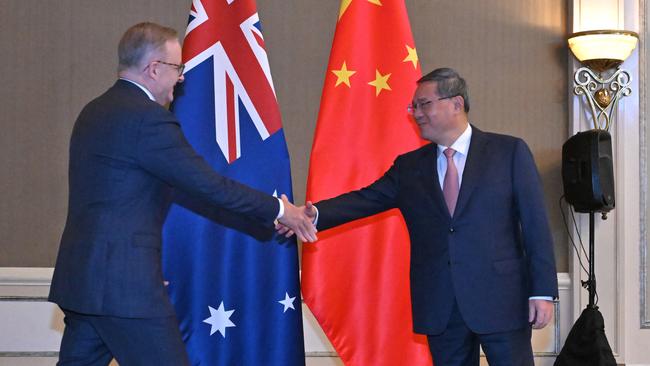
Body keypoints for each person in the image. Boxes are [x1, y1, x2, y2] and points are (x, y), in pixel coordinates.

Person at [48, 22, 316, 366]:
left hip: (84, 280)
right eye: (178, 67)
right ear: (154, 68)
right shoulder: (147, 119)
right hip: (125, 289)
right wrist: (281, 210)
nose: (182, 78)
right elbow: (210, 186)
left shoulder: (93, 111)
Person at [284, 68, 558, 365]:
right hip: (440, 305)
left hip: (502, 300)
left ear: (456, 104)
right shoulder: (409, 167)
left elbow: (536, 226)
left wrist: (542, 291)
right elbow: (365, 199)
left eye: (424, 104)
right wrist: (310, 215)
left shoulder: (509, 152)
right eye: (413, 106)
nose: (416, 113)